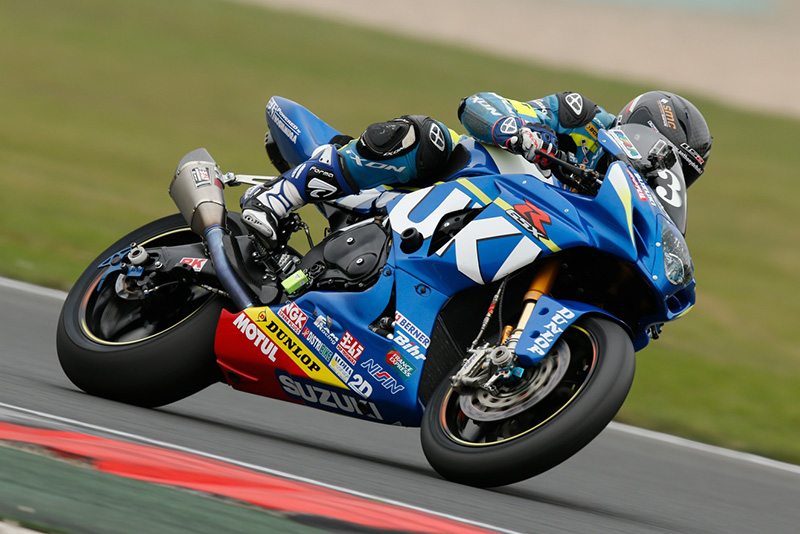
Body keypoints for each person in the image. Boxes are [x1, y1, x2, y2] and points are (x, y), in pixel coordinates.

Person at [240, 90, 711, 247]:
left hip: (520, 234)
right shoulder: (581, 118)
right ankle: (280, 196)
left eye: (676, 175)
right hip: (462, 180)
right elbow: (478, 105)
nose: (660, 174)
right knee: (426, 137)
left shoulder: (628, 208)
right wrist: (514, 129)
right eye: (661, 157)